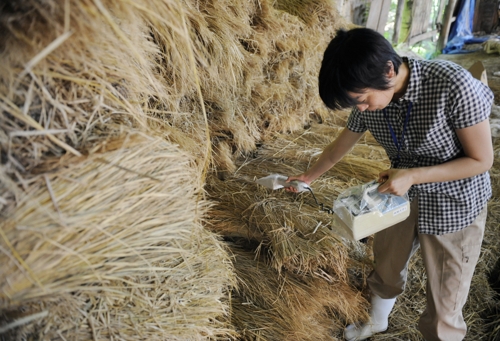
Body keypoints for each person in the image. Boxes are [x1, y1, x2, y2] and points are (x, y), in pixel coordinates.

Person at [286, 28, 494, 341]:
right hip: (399, 193)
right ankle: (377, 321)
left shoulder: (452, 85)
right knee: (386, 262)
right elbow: (339, 147)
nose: (361, 109)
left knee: (446, 291)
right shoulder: (370, 102)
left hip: (455, 199)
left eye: (361, 99)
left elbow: (481, 160)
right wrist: (307, 178)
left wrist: (413, 175)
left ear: (389, 70)